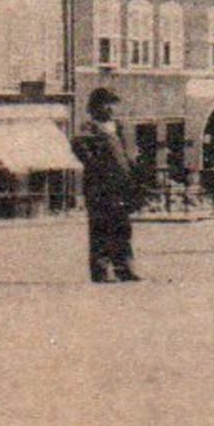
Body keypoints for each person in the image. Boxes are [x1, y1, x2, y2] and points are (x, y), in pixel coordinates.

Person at [72, 87, 143, 283]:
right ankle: (102, 270)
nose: (111, 108)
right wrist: (99, 167)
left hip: (121, 185)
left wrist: (132, 170)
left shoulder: (117, 127)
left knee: (122, 227)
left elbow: (127, 155)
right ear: (96, 107)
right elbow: (80, 149)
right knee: (101, 228)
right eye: (107, 104)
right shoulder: (89, 127)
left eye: (113, 104)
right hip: (100, 186)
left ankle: (125, 268)